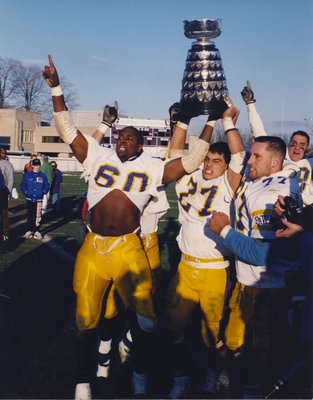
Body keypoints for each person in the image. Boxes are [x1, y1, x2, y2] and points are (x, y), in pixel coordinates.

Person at [42, 54, 214, 400]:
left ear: (140, 145)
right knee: (85, 318)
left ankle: (138, 373)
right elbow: (67, 130)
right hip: (93, 245)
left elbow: (193, 160)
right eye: (121, 135)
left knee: (147, 319)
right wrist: (56, 88)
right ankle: (83, 379)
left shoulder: (151, 166)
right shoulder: (97, 155)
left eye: (131, 137)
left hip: (128, 247)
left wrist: (208, 122)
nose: (123, 139)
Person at [161, 100, 245, 398]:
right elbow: (176, 153)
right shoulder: (190, 177)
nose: (209, 164)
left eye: (215, 161)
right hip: (185, 268)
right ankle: (181, 378)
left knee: (213, 337)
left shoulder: (230, 183)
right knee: (172, 330)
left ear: (225, 166)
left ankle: (213, 375)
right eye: (207, 159)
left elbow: (238, 153)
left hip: (213, 272)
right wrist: (189, 122)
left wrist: (226, 120)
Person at [209, 135, 302, 397]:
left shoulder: (271, 194)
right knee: (243, 343)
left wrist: (223, 230)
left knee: (259, 349)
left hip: (266, 286)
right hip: (255, 282)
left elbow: (264, 253)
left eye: (256, 156)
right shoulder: (264, 180)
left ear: (275, 163)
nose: (249, 159)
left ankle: (254, 391)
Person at [241, 80, 313, 205]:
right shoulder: (279, 156)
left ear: (307, 149)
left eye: (302, 146)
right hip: (273, 201)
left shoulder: (309, 163)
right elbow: (260, 135)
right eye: (294, 144)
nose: (296, 148)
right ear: (288, 144)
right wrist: (250, 104)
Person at [20, 158, 50, 239]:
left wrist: (43, 192)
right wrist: (26, 192)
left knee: (37, 216)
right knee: (30, 215)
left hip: (38, 199)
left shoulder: (43, 176)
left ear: (40, 166)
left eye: (38, 165)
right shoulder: (28, 175)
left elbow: (47, 185)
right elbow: (23, 184)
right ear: (32, 166)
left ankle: (37, 231)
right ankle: (29, 230)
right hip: (30, 199)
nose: (36, 167)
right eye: (35, 165)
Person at [0, 147, 14, 243]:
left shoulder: (7, 164)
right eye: (1, 152)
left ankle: (5, 233)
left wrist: (8, 192)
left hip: (2, 192)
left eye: (3, 153)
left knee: (4, 214)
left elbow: (10, 179)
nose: (2, 154)